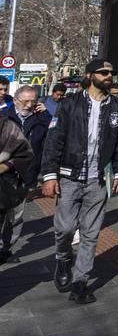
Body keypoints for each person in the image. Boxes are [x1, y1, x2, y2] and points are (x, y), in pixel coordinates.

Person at [40, 59, 118, 304]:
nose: (109, 76)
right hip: (70, 177)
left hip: (98, 180)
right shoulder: (70, 104)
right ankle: (63, 258)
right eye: (103, 72)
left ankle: (80, 281)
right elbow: (54, 140)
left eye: (111, 72)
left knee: (90, 233)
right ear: (90, 75)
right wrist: (49, 176)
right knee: (65, 228)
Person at [0, 86, 52, 263]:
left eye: (33, 101)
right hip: (3, 174)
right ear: (15, 100)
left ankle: (6, 249)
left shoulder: (41, 119)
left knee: (17, 215)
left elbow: (51, 140)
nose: (29, 105)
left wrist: (46, 115)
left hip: (27, 175)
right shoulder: (5, 117)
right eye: (25, 101)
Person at [0, 113, 34, 265]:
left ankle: (4, 249)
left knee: (11, 218)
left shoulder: (7, 126)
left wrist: (7, 165)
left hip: (4, 185)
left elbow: (26, 153)